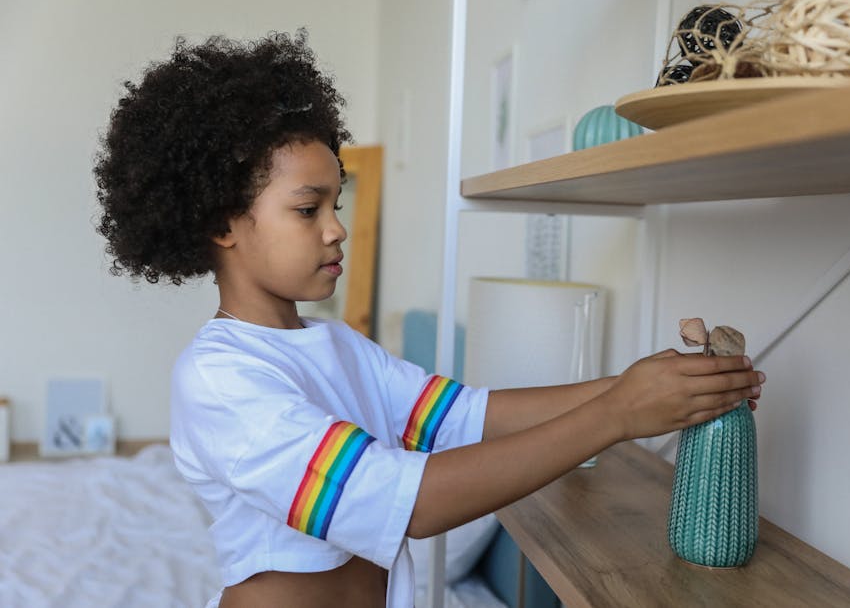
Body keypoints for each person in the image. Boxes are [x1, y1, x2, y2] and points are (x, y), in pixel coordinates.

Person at [94, 31, 764, 608]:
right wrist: (618, 413)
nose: (337, 230)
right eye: (308, 209)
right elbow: (409, 503)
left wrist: (657, 385)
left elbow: (466, 416)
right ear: (221, 222)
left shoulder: (337, 346)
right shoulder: (219, 379)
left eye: (338, 204)